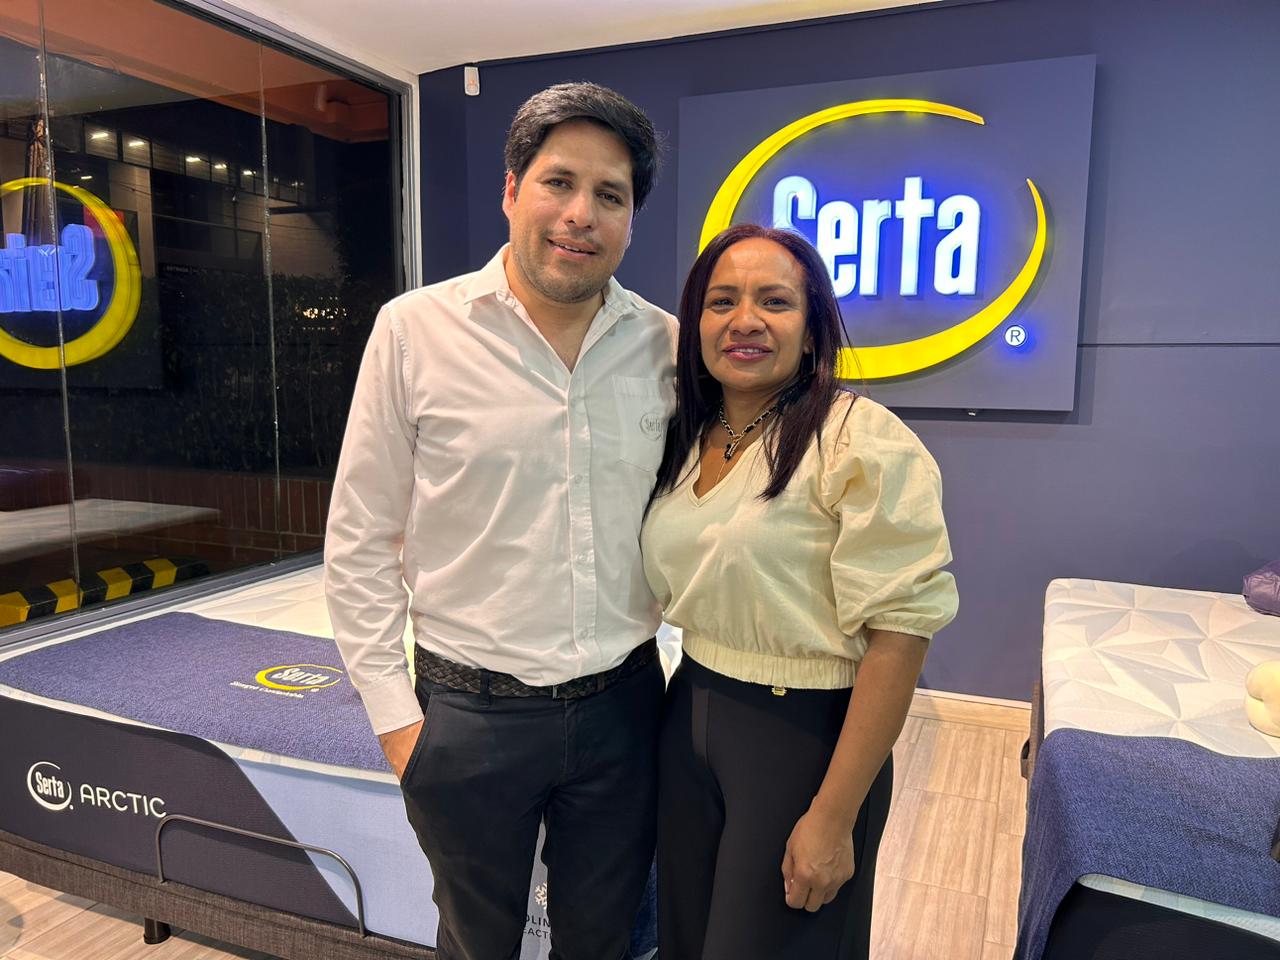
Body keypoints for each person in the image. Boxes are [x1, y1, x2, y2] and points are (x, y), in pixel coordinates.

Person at [324, 82, 676, 960]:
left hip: (626, 710)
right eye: (559, 182)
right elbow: (360, 540)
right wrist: (400, 727)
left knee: (607, 944)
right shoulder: (414, 331)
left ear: (631, 219)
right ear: (512, 190)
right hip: (468, 717)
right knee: (477, 944)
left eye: (610, 194)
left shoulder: (666, 348)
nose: (581, 214)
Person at [641, 223, 958, 959]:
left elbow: (901, 633)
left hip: (801, 737)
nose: (745, 320)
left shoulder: (859, 440)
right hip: (688, 710)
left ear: (813, 331)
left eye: (775, 302)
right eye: (722, 301)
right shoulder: (686, 438)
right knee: (686, 941)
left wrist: (835, 816)